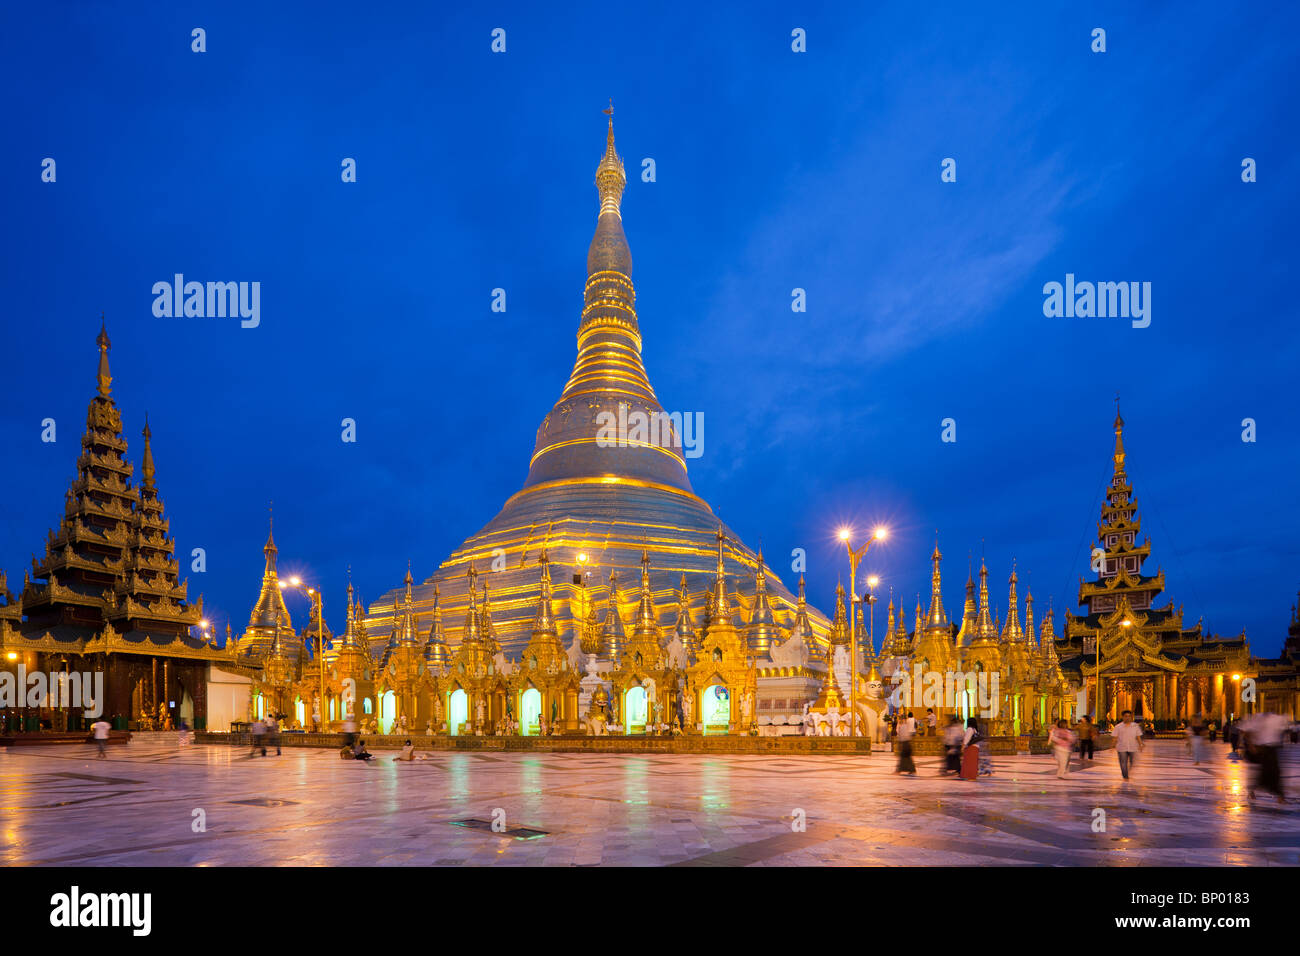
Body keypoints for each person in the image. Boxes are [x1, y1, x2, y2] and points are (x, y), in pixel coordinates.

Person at [1241, 712, 1288, 803]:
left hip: (1273, 747)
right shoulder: (1258, 717)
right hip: (1264, 748)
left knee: (1269, 772)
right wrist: (1251, 746)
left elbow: (1280, 732)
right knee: (1272, 772)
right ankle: (1280, 797)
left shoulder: (1277, 717)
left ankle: (1252, 790)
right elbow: (1247, 731)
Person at [1113, 710, 1143, 780]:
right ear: (1123, 717)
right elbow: (1115, 737)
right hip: (1122, 747)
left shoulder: (1135, 726)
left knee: (1132, 762)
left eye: (1129, 716)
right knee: (1123, 762)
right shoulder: (1118, 726)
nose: (1127, 718)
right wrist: (1113, 745)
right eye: (1126, 716)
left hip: (1132, 747)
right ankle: (1125, 776)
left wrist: (1140, 744)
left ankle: (1126, 772)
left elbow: (1138, 736)